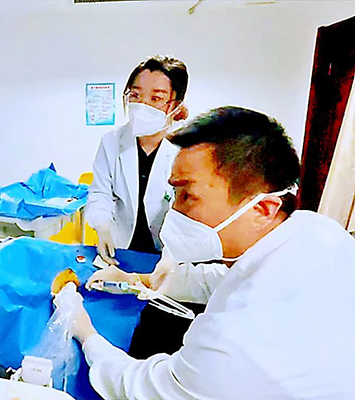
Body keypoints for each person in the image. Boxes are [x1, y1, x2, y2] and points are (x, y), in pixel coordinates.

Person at [64, 106, 355, 398]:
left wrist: (87, 335)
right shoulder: (315, 230)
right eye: (174, 195)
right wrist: (142, 280)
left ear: (263, 209)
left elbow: (142, 388)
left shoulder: (232, 343)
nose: (174, 212)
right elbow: (227, 278)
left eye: (188, 196)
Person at [85, 55, 188, 263]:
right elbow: (100, 192)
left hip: (170, 253)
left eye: (156, 98)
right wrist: (102, 226)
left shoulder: (187, 149)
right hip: (122, 248)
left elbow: (190, 212)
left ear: (175, 105)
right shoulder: (112, 142)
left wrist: (174, 256)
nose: (142, 105)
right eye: (135, 95)